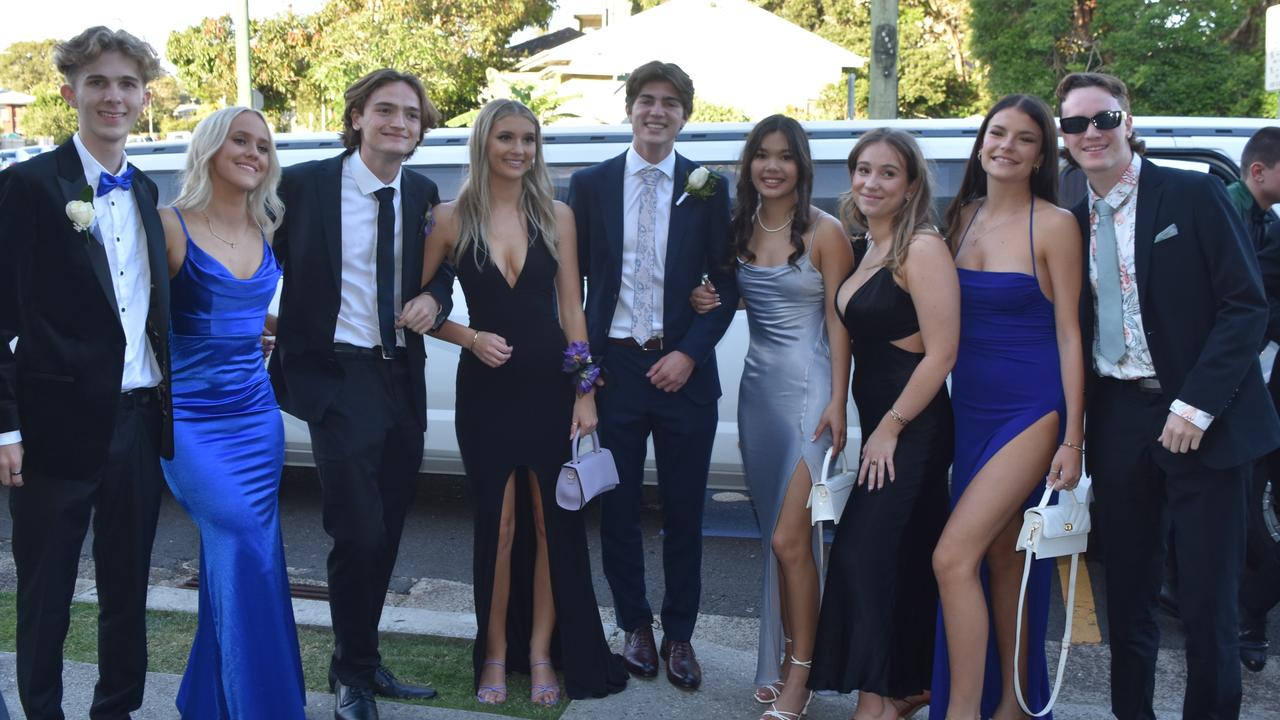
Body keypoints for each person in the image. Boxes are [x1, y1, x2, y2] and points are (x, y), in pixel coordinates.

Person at [1057, 71, 1280, 720]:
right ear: (1065, 139)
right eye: (1075, 124)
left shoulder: (1192, 195)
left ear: (1128, 121)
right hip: (1119, 420)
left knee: (1210, 606)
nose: (1091, 133)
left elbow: (1245, 306)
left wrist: (1196, 405)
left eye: (1103, 118)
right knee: (1129, 599)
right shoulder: (1071, 225)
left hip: (1203, 421)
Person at [415, 98, 628, 707]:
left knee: (551, 523)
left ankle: (540, 653)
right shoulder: (449, 218)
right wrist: (469, 337)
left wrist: (585, 392)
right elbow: (418, 305)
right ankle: (493, 653)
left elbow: (572, 310)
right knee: (500, 527)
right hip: (484, 391)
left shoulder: (556, 215)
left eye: (529, 139)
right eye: (506, 137)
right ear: (484, 143)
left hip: (549, 386)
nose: (519, 149)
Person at [268, 68, 453, 720]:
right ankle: (350, 676)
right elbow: (254, 256)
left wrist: (434, 297)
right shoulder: (303, 185)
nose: (399, 123)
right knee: (359, 532)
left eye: (411, 115)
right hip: (336, 377)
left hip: (399, 377)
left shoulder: (426, 192)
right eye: (386, 111)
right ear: (357, 118)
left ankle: (366, 660)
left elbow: (442, 272)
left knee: (390, 527)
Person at [0, 26, 173, 719]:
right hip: (52, 428)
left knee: (129, 587)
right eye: (99, 82)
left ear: (142, 97)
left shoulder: (146, 188)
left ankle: (117, 708)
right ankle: (40, 709)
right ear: (70, 92)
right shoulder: (26, 187)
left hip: (138, 420)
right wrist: (4, 428)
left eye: (127, 83)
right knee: (46, 589)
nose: (113, 95)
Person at [567, 60, 738, 690]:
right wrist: (583, 372)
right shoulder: (589, 184)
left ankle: (680, 633)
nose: (657, 111)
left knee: (686, 509)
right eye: (646, 100)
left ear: (685, 114)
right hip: (615, 365)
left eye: (670, 102)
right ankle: (633, 624)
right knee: (616, 505)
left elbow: (725, 278)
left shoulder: (709, 186)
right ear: (630, 108)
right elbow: (570, 282)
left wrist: (690, 351)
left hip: (683, 366)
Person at [689, 115, 853, 720]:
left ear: (802, 165)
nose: (773, 166)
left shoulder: (825, 232)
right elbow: (722, 296)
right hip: (756, 395)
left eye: (785, 156)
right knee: (777, 542)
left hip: (811, 396)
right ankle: (777, 660)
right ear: (748, 163)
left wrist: (840, 402)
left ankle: (801, 675)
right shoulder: (739, 229)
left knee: (791, 539)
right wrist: (703, 296)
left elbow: (841, 321)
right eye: (763, 155)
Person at [929, 94, 1085, 720]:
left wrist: (1073, 437)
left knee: (951, 556)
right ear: (981, 141)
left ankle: (965, 711)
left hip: (1031, 410)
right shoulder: (958, 218)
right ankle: (1013, 705)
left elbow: (1071, 332)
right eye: (997, 133)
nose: (1006, 147)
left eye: (1024, 138)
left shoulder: (1054, 224)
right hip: (970, 410)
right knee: (1002, 556)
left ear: (1041, 153)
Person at [157, 106, 305, 718]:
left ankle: (214, 700)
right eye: (240, 141)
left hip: (255, 416)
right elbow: (138, 317)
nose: (254, 153)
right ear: (212, 148)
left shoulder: (266, 227)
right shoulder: (170, 225)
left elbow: (242, 305)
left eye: (264, 146)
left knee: (250, 553)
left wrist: (259, 328)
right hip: (191, 422)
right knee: (242, 540)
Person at [808, 128, 959, 720]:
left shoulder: (921, 247)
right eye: (863, 170)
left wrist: (890, 427)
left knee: (864, 559)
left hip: (911, 428)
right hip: (880, 424)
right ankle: (906, 688)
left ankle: (877, 702)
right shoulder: (868, 243)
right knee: (902, 559)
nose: (872, 182)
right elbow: (845, 326)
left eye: (888, 173)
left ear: (911, 184)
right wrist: (840, 402)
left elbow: (942, 353)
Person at [1229, 127, 1280, 673]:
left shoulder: (1267, 222)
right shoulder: (1232, 213)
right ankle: (1246, 619)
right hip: (1247, 392)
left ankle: (1247, 615)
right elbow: (1251, 306)